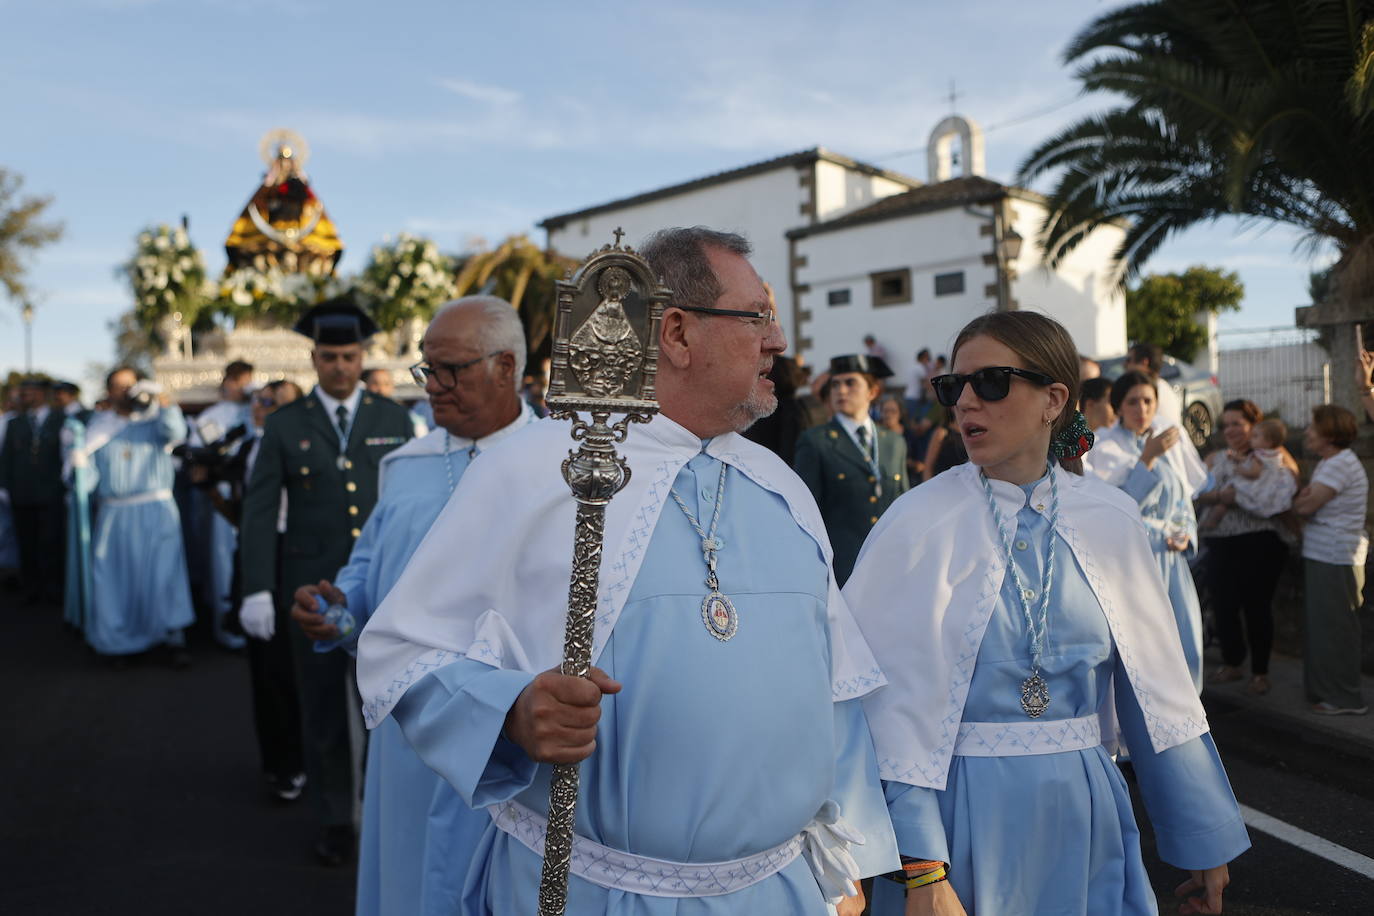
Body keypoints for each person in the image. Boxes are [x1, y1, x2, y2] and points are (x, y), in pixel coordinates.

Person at [357, 226, 898, 915]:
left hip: (782, 892)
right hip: (596, 891)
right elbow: (400, 654)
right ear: (676, 333)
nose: (779, 342)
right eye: (758, 316)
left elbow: (836, 691)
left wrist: (848, 868)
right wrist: (512, 711)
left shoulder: (782, 488)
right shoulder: (535, 470)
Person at [848, 311, 1248, 916]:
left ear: (1054, 399)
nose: (964, 404)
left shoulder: (1111, 518)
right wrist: (920, 870)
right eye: (953, 387)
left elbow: (1156, 692)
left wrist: (1202, 838)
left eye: (990, 382)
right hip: (961, 822)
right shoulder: (917, 523)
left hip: (1087, 812)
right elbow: (885, 712)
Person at [291, 297, 537, 915]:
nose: (434, 388)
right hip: (413, 718)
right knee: (406, 874)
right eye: (427, 370)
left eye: (451, 370)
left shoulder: (564, 466)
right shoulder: (404, 466)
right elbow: (371, 571)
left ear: (505, 367)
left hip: (514, 730)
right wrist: (338, 610)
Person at [238, 295, 414, 866]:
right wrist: (258, 587)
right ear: (314, 359)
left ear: (363, 357)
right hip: (312, 588)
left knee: (386, 701)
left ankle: (382, 808)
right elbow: (261, 509)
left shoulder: (393, 418)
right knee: (320, 709)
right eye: (330, 357)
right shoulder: (286, 423)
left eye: (349, 356)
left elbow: (413, 505)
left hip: (382, 588)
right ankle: (336, 817)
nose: (340, 366)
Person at [1085, 371, 1205, 692]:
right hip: (1135, 562)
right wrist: (1147, 459)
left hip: (1171, 561)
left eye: (1148, 401)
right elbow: (1115, 510)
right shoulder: (1104, 448)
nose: (1142, 409)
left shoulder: (1168, 443)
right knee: (1141, 647)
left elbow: (1182, 502)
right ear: (1118, 406)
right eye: (1133, 401)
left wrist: (1185, 532)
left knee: (1184, 641)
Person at [71, 370, 195, 663]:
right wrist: (78, 464)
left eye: (130, 385)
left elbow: (176, 434)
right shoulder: (99, 428)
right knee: (115, 580)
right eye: (117, 386)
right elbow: (87, 482)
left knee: (164, 574)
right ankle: (118, 642)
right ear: (109, 391)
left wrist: (162, 400)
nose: (124, 392)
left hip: (156, 510)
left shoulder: (156, 421)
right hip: (114, 514)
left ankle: (172, 639)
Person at [231, 379, 307, 803]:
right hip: (261, 556)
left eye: (274, 403)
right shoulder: (247, 447)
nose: (262, 408)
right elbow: (241, 513)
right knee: (268, 669)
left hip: (298, 553)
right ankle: (282, 762)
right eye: (260, 401)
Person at [1194, 400, 1295, 695]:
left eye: (1237, 423)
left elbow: (1288, 490)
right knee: (1223, 604)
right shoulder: (1214, 458)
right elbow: (1198, 494)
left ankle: (1260, 671)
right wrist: (1219, 498)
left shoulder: (1274, 455)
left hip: (1260, 540)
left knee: (1257, 606)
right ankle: (1233, 661)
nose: (1231, 430)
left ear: (1254, 424)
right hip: (1221, 539)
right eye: (1226, 425)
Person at [795, 354, 909, 586]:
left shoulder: (893, 442)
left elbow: (903, 504)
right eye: (835, 384)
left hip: (891, 566)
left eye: (850, 383)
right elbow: (804, 513)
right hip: (843, 570)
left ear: (872, 391)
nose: (840, 390)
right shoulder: (817, 441)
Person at [1293, 405, 1369, 715]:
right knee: (1324, 626)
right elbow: (1306, 501)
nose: (1307, 432)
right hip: (1326, 553)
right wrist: (1304, 499)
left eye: (1313, 427)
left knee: (1335, 628)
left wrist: (1303, 500)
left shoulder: (1339, 464)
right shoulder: (1332, 462)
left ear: (1329, 433)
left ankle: (1344, 699)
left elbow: (1305, 506)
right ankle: (1328, 693)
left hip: (1335, 555)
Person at [188, 360, 255, 650]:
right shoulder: (212, 416)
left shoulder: (257, 411)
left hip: (255, 492)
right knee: (224, 558)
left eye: (246, 381)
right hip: (225, 491)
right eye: (237, 381)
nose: (241, 387)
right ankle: (228, 627)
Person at [0, 377, 66, 605]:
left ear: (40, 393)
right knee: (26, 542)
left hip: (51, 493)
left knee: (50, 542)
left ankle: (52, 588)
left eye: (28, 392)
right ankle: (32, 588)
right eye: (22, 393)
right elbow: (6, 458)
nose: (23, 397)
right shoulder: (14, 423)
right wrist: (5, 486)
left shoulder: (61, 420)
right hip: (22, 494)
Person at [1123, 342, 1207, 494]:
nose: (1125, 365)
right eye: (1132, 402)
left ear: (1144, 362)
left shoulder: (1150, 390)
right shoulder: (1164, 387)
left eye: (1129, 360)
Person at [1201, 418, 1297, 533]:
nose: (1228, 430)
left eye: (1236, 424)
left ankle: (1212, 520)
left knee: (1229, 493)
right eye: (1225, 426)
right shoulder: (1270, 454)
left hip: (1256, 494)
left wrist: (1239, 470)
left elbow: (1254, 471)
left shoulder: (1265, 455)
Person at [903, 348, 933, 417]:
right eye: (927, 358)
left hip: (908, 396)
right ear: (923, 358)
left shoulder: (912, 366)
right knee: (915, 420)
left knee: (911, 419)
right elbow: (926, 383)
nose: (928, 361)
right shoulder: (920, 367)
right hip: (914, 397)